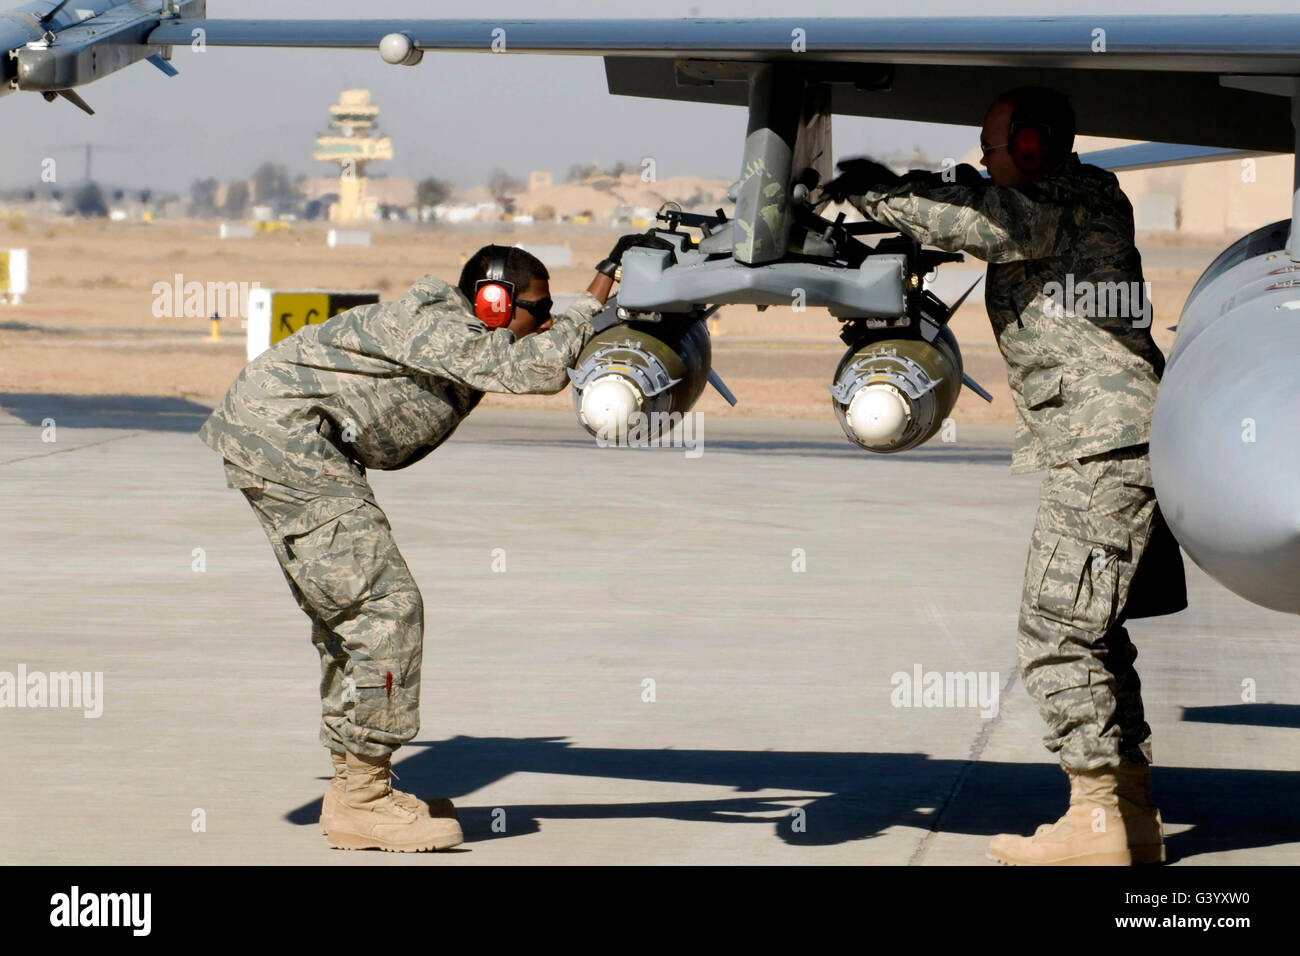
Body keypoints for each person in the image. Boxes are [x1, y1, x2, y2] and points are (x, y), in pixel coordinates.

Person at [823, 86, 1187, 866]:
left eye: (994, 146)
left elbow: (979, 220)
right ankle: (1127, 817)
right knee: (1093, 634)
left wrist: (875, 192)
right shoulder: (1066, 196)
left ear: (1030, 145)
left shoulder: (1068, 197)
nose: (985, 158)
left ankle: (1096, 824)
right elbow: (976, 204)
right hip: (1100, 441)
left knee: (1055, 632)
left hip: (1102, 445)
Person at [199, 239, 642, 852]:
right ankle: (363, 801)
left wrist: (601, 296)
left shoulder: (470, 333)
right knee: (386, 611)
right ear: (492, 301)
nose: (543, 323)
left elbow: (527, 352)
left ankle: (355, 788)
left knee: (349, 617)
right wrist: (591, 307)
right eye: (537, 311)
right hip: (287, 442)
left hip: (299, 443)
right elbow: (533, 370)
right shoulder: (440, 326)